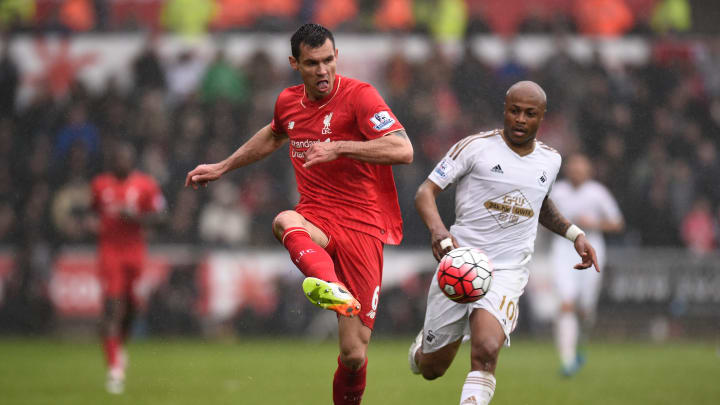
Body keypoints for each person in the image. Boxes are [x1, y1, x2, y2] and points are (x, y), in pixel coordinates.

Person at [184, 23, 413, 405]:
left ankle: (335, 296)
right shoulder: (288, 102)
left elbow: (402, 149)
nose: (322, 71)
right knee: (284, 220)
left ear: (336, 56)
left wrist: (340, 146)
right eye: (312, 63)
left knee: (354, 356)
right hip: (317, 215)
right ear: (295, 63)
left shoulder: (361, 96)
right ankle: (332, 288)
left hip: (363, 225)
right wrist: (224, 166)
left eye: (328, 60)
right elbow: (275, 134)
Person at [408, 81, 598, 405]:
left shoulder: (551, 160)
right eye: (515, 111)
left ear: (542, 117)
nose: (521, 119)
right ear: (505, 110)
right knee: (432, 368)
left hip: (507, 271)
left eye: (529, 113)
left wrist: (574, 234)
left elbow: (540, 205)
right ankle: (422, 350)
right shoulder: (474, 147)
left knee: (486, 350)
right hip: (460, 263)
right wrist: (439, 231)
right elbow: (425, 191)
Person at [91, 142, 166, 394]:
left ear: (132, 161)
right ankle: (115, 370)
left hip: (135, 254)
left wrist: (135, 217)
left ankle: (118, 347)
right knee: (112, 307)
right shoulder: (100, 185)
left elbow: (162, 217)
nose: (121, 162)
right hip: (110, 252)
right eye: (118, 158)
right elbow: (93, 212)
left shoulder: (145, 185)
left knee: (132, 308)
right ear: (113, 161)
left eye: (126, 158)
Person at [550, 153, 624, 376]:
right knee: (566, 302)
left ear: (588, 171)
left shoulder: (597, 192)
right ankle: (567, 359)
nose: (577, 172)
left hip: (592, 248)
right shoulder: (557, 191)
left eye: (581, 168)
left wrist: (595, 223)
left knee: (585, 308)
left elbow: (618, 223)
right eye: (573, 167)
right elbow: (543, 217)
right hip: (563, 249)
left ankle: (580, 341)